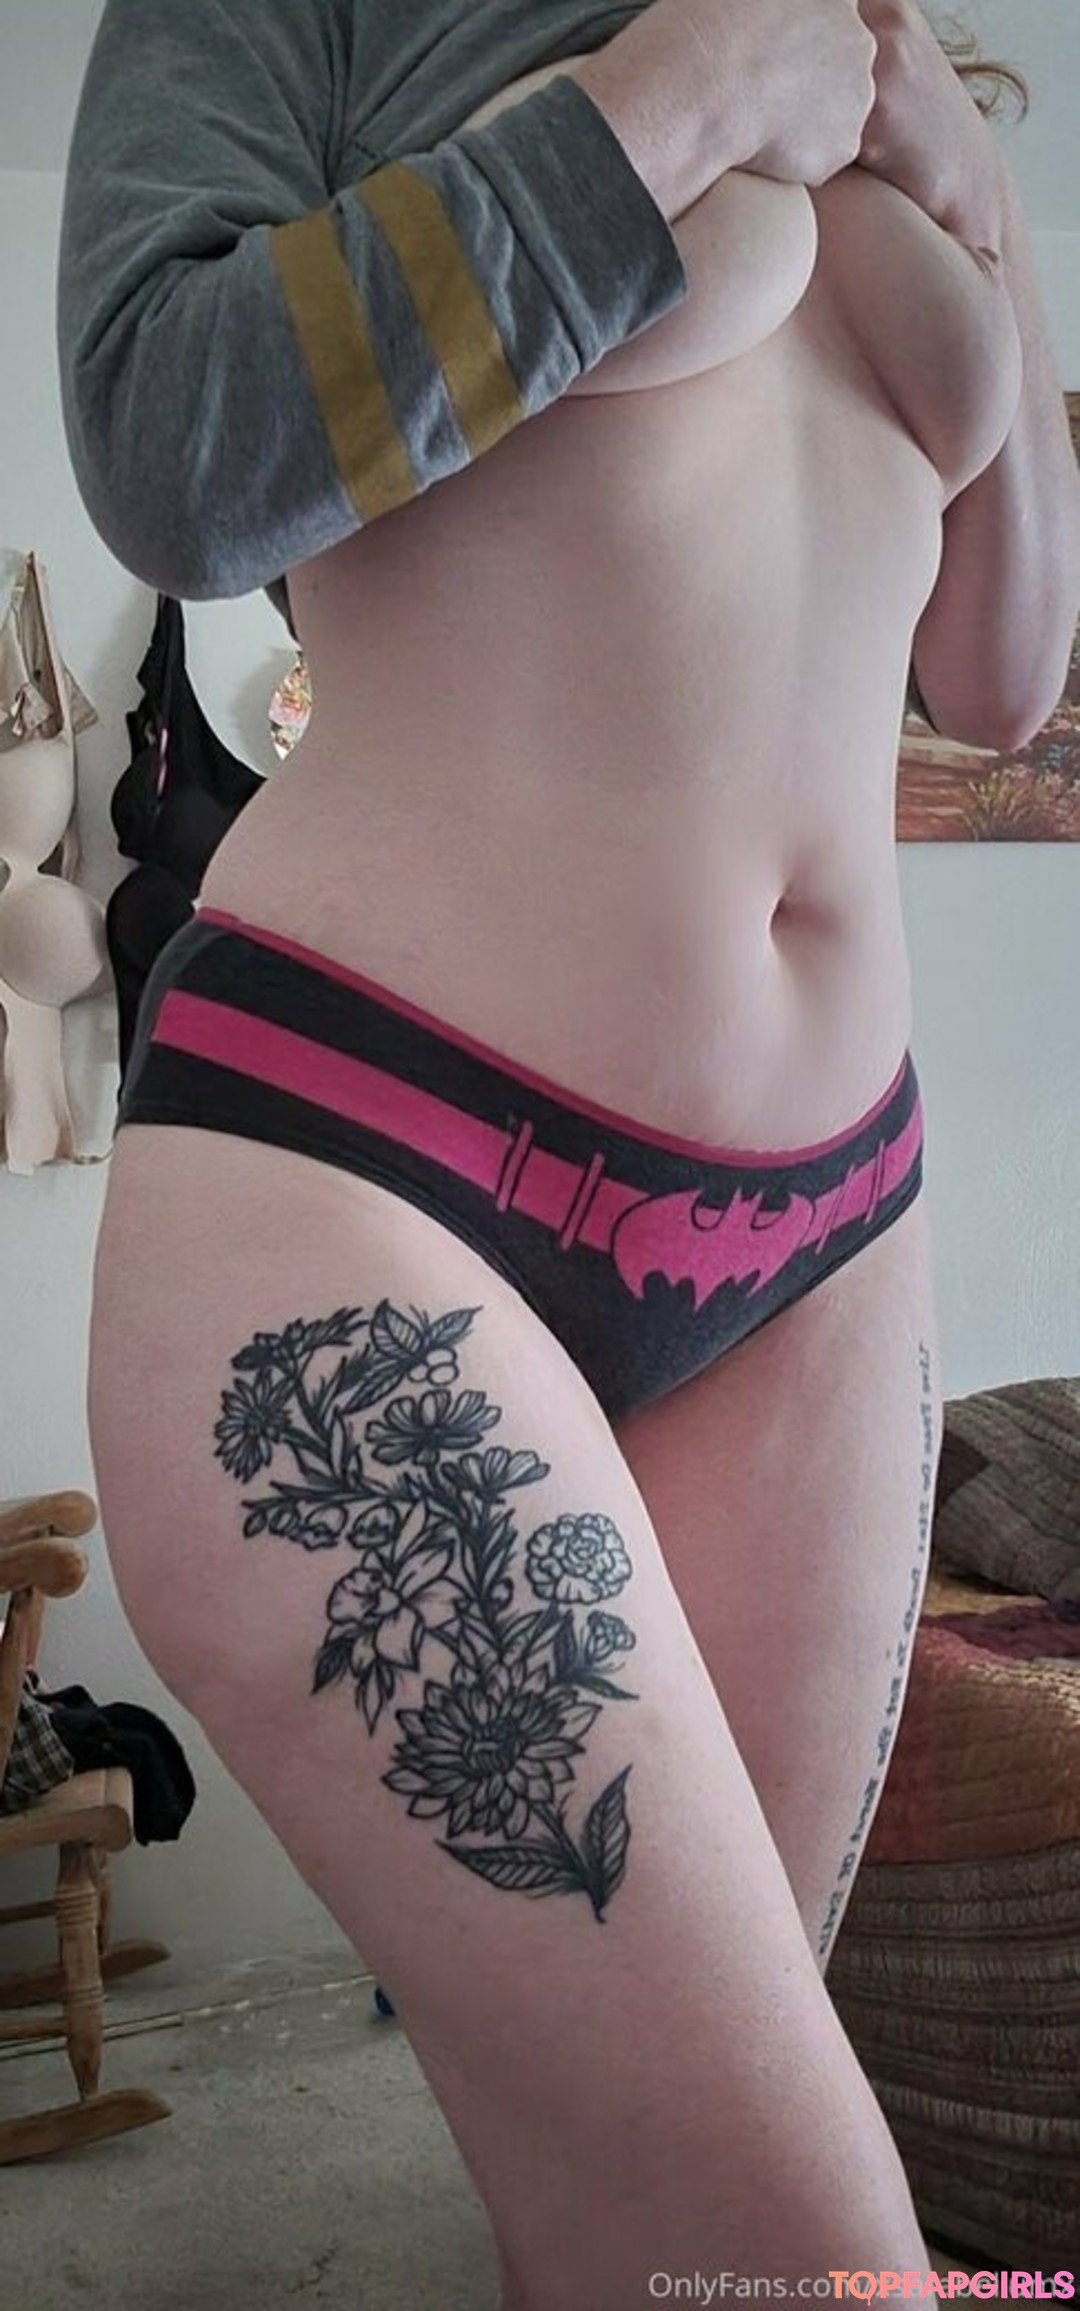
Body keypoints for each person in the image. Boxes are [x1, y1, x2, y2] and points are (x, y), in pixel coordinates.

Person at [57, 0, 1080, 2302]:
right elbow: (167, 452)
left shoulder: (885, 50)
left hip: (822, 1234)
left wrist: (974, 193)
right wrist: (682, 94)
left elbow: (1010, 673)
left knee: (646, 2241)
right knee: (801, 2246)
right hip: (374, 1167)